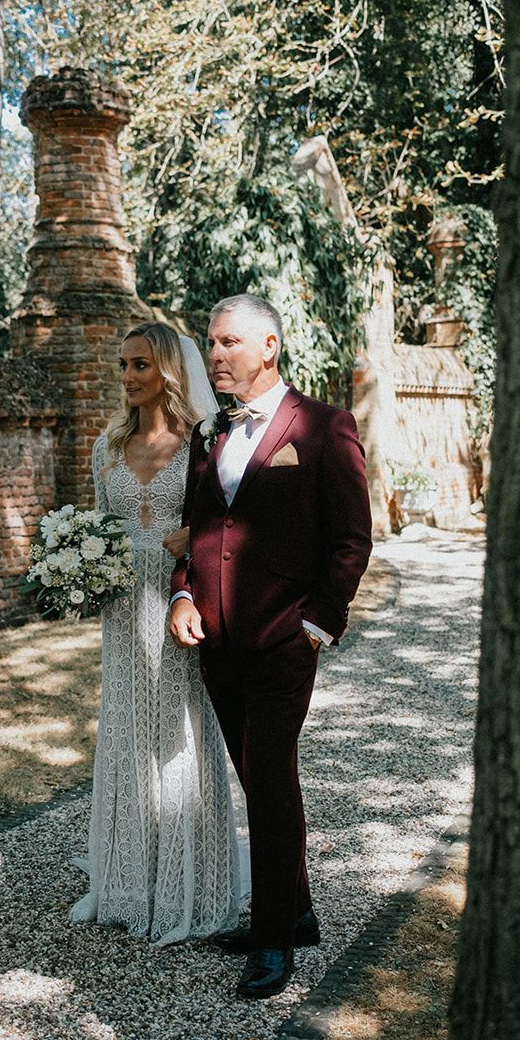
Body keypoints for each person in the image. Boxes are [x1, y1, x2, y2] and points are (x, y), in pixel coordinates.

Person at [169, 294, 373, 999]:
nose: (215, 354)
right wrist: (182, 594)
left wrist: (316, 624)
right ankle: (300, 912)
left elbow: (350, 540)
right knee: (257, 780)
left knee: (271, 779)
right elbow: (194, 528)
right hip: (216, 639)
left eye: (229, 342)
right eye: (210, 342)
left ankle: (273, 939)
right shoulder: (207, 434)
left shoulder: (321, 427)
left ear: (268, 347)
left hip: (285, 638)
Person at [70, 322, 242, 946]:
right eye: (123, 365)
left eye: (140, 364)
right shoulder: (107, 445)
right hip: (122, 606)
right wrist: (79, 563)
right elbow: (96, 523)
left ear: (167, 369)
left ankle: (193, 884)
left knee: (182, 732)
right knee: (126, 728)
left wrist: (190, 543)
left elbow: (227, 525)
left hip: (179, 602)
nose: (128, 377)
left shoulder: (204, 444)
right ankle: (126, 881)